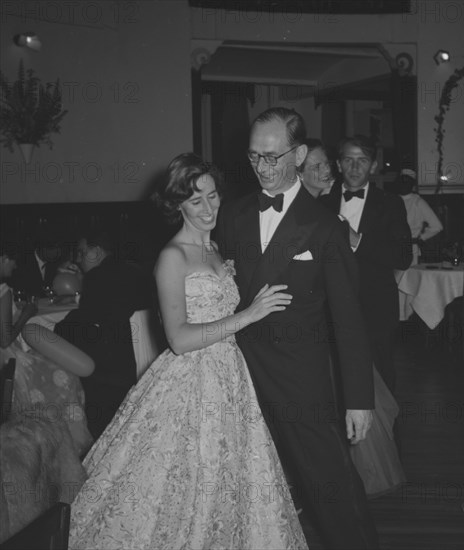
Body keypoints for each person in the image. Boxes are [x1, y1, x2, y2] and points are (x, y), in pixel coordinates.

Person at [68, 153, 307, 550]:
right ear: (177, 204)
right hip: (189, 379)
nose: (209, 208)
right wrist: (248, 315)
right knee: (180, 481)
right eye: (196, 201)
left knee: (230, 476)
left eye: (213, 196)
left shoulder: (216, 249)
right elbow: (178, 338)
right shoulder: (171, 257)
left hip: (230, 376)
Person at [217, 107, 378, 550]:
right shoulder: (231, 215)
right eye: (254, 157)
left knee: (331, 487)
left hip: (298, 378)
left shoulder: (327, 227)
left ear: (300, 153)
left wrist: (359, 400)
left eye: (273, 157)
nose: (263, 169)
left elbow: (348, 318)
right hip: (235, 372)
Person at [321, 135, 413, 392]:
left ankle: (384, 432)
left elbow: (402, 258)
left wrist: (357, 240)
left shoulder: (391, 204)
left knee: (380, 375)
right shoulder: (321, 204)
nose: (354, 168)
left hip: (376, 307)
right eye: (348, 160)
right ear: (338, 165)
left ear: (373, 166)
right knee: (334, 375)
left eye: (362, 161)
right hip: (330, 305)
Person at [55, 231, 153, 439]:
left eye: (82, 253)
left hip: (113, 372)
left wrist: (59, 328)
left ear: (97, 252)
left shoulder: (98, 277)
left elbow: (86, 323)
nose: (78, 259)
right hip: (147, 358)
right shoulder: (136, 270)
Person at [0, 242, 93, 457]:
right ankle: (65, 449)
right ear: (4, 258)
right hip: (8, 360)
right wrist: (26, 313)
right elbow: (5, 340)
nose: (14, 267)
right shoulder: (3, 291)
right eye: (12, 261)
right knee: (67, 380)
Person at [392, 168, 443, 266]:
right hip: (393, 248)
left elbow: (437, 226)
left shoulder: (418, 202)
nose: (404, 184)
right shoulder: (393, 201)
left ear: (412, 185)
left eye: (407, 182)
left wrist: (421, 238)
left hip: (409, 249)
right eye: (402, 181)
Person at [12, 232, 63, 298]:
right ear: (40, 248)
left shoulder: (55, 265)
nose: (56, 253)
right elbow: (21, 292)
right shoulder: (22, 264)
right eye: (52, 248)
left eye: (58, 249)